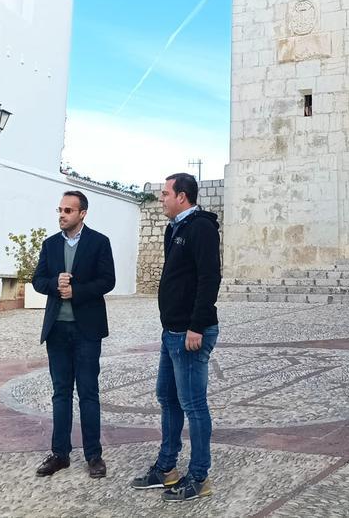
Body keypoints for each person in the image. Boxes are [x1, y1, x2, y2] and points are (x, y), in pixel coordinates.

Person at [130, 173, 221, 502]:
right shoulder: (175, 228)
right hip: (172, 331)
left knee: (194, 405)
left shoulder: (201, 228)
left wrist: (196, 326)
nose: (161, 199)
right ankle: (167, 468)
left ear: (182, 196)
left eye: (165, 194)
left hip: (190, 333)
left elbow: (210, 278)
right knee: (167, 398)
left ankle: (199, 476)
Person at [31, 190, 117, 479]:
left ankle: (94, 455)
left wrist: (76, 291)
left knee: (89, 393)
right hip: (56, 330)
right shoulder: (50, 245)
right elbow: (37, 280)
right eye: (60, 209)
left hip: (87, 330)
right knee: (60, 393)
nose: (62, 214)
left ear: (82, 214)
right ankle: (60, 454)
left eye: (68, 210)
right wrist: (55, 283)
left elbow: (108, 280)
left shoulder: (99, 242)